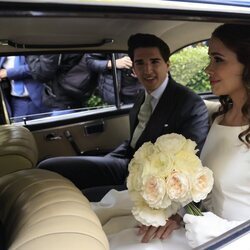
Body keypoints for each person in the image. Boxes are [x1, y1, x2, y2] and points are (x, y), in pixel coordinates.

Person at [91, 23, 250, 250]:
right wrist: (181, 216)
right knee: (116, 235)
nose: (207, 69)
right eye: (209, 59)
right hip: (199, 224)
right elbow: (204, 192)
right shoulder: (220, 119)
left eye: (218, 59)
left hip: (230, 238)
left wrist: (213, 230)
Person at [37, 34, 209, 206]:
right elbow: (135, 140)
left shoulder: (189, 104)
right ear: (133, 68)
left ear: (168, 65)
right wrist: (108, 160)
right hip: (126, 163)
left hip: (150, 183)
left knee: (79, 198)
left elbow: (189, 161)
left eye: (155, 62)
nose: (147, 70)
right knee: (49, 166)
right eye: (140, 63)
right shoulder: (142, 96)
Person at [26, 53, 97, 112]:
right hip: (77, 93)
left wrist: (29, 52)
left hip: (62, 100)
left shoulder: (54, 40)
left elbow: (41, 74)